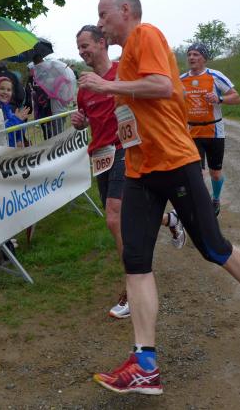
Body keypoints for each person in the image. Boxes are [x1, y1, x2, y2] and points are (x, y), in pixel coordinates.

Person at [81, 0, 240, 396]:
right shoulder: (124, 62)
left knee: (213, 248)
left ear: (126, 10)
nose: (100, 23)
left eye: (104, 14)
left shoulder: (146, 35)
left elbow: (161, 85)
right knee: (135, 260)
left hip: (175, 161)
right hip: (139, 170)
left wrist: (107, 87)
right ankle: (145, 363)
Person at [72, 25, 186, 321]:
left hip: (125, 149)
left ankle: (132, 289)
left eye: (86, 45)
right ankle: (169, 220)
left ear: (102, 43)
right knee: (124, 217)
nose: (82, 52)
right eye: (79, 47)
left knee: (114, 216)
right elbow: (89, 116)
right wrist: (81, 121)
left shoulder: (122, 72)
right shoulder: (85, 86)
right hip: (100, 154)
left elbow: (147, 95)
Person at [180, 42, 240, 216]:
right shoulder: (181, 80)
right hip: (192, 133)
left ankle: (216, 198)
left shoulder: (215, 76)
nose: (191, 57)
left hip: (214, 132)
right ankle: (202, 204)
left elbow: (237, 97)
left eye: (196, 54)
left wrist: (219, 99)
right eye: (189, 54)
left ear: (204, 58)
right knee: (196, 173)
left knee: (215, 174)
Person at [0, 76, 30, 147]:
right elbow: (2, 132)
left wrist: (19, 139)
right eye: (2, 88)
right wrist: (16, 119)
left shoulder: (8, 109)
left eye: (9, 90)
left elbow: (16, 131)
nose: (5, 92)